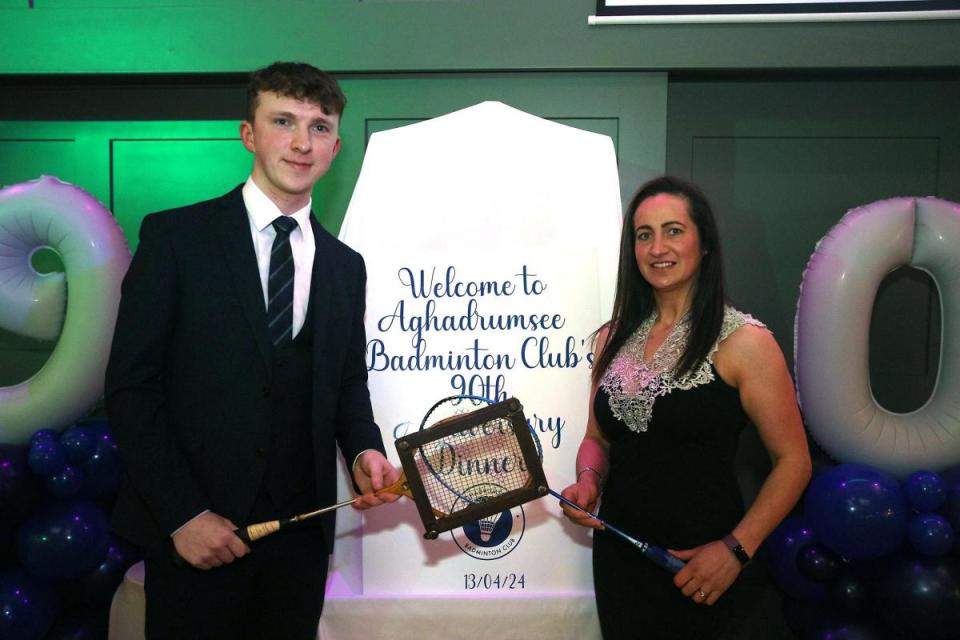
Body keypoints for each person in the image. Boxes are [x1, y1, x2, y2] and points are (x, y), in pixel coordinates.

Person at [105, 61, 400, 639]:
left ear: (336, 145)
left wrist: (366, 451)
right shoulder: (176, 240)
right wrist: (183, 516)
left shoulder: (346, 267)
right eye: (283, 121)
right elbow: (131, 390)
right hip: (194, 538)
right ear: (249, 134)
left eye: (318, 127)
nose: (300, 142)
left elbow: (345, 384)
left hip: (300, 543)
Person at [560, 176, 811, 639]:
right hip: (621, 560)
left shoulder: (745, 343)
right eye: (644, 234)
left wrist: (736, 549)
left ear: (705, 244)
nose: (658, 247)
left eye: (673, 230)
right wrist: (588, 481)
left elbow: (794, 461)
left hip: (706, 565)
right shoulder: (610, 339)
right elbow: (596, 438)